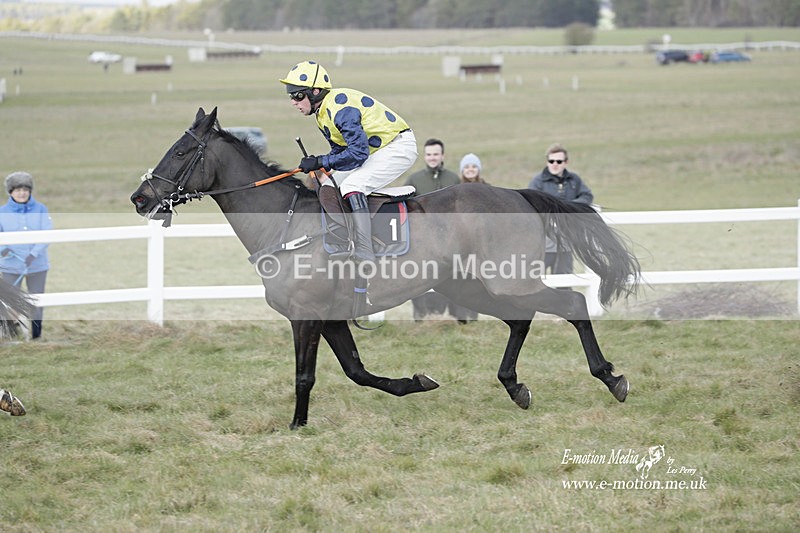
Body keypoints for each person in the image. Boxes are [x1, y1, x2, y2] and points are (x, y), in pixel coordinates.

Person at [280, 60, 417, 264]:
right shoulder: (322, 114)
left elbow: (358, 154)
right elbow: (341, 152)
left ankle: (365, 249)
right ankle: (345, 238)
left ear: (315, 91)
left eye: (298, 95)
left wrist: (320, 161)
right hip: (376, 150)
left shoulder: (340, 108)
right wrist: (319, 162)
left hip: (397, 146)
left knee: (353, 185)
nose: (294, 102)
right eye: (291, 96)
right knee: (328, 187)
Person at [0, 171, 52, 340]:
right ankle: (11, 333)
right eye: (17, 189)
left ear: (29, 190)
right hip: (10, 265)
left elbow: (47, 233)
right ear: (10, 192)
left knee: (36, 301)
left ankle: (36, 335)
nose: (21, 192)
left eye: (25, 189)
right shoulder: (2, 212)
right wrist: (4, 249)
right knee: (10, 301)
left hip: (37, 266)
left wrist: (33, 254)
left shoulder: (41, 209)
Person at [527, 143, 593, 275]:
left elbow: (587, 196)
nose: (554, 164)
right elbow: (532, 203)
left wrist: (569, 207)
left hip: (566, 243)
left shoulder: (574, 180)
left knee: (565, 282)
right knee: (535, 280)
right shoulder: (538, 181)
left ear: (565, 162)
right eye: (551, 161)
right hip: (543, 243)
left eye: (559, 161)